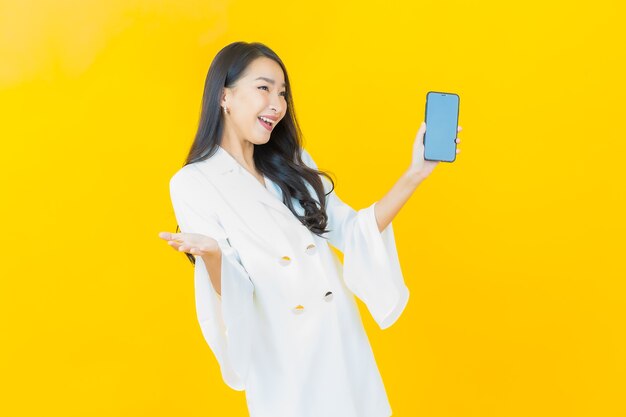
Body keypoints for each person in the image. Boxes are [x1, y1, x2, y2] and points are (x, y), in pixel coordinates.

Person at [158, 41, 461, 417]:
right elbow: (233, 290)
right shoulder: (193, 182)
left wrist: (415, 173)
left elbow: (355, 232)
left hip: (341, 338)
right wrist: (213, 255)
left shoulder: (292, 163)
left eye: (282, 93)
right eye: (264, 88)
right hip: (286, 357)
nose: (278, 104)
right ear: (224, 95)